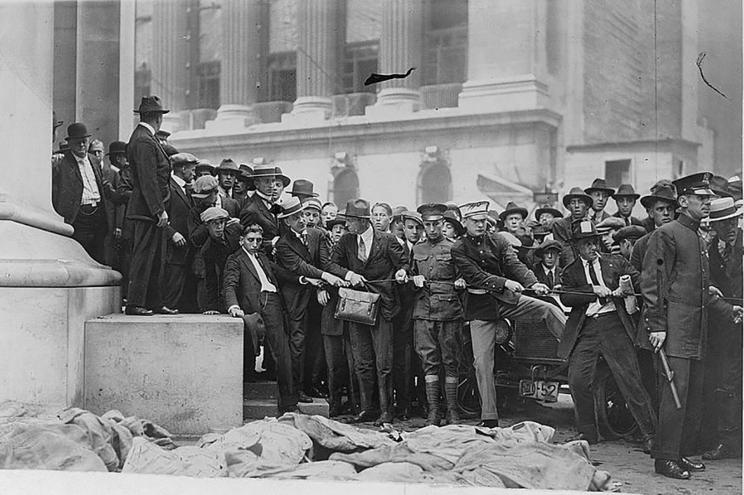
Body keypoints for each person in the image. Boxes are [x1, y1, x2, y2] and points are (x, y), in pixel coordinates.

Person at [640, 172, 741, 479]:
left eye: (710, 198)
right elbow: (653, 283)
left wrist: (722, 303)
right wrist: (657, 325)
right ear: (683, 202)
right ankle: (665, 457)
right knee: (674, 392)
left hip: (695, 330)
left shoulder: (697, 236)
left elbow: (692, 284)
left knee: (691, 394)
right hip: (674, 329)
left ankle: (680, 453)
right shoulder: (667, 234)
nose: (709, 203)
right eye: (703, 199)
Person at [451, 201, 566, 428]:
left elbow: (515, 264)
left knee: (548, 308)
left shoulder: (499, 241)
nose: (480, 225)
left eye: (483, 221)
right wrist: (505, 282)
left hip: (506, 300)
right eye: (475, 221)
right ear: (465, 223)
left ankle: (573, 347)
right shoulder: (459, 248)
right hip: (480, 309)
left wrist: (534, 283)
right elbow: (476, 277)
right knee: (482, 363)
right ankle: (489, 418)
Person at [558, 220, 656, 450]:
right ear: (577, 247)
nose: (592, 247)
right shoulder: (570, 271)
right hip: (588, 328)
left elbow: (638, 280)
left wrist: (628, 287)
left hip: (615, 325)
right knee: (577, 380)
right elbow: (566, 297)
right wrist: (591, 291)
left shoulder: (616, 261)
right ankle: (588, 432)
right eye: (586, 244)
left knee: (630, 380)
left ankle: (651, 433)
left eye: (594, 242)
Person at [325, 199, 409, 425]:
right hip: (357, 306)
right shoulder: (346, 240)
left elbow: (404, 264)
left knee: (384, 362)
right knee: (362, 360)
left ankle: (386, 411)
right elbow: (331, 265)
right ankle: (367, 409)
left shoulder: (387, 240)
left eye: (350, 221)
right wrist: (349, 275)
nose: (346, 225)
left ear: (363, 221)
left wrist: (401, 272)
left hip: (383, 307)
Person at [274, 196, 346, 402]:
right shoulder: (283, 244)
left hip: (317, 297)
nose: (302, 220)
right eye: (296, 217)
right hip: (295, 299)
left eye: (302, 215)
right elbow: (300, 266)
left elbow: (324, 262)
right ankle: (295, 390)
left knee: (315, 343)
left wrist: (322, 285)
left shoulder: (317, 235)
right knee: (298, 343)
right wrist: (325, 278)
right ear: (287, 222)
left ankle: (310, 385)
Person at [224, 223, 301, 415]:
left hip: (273, 302)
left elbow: (279, 272)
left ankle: (289, 404)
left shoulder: (262, 257)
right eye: (251, 240)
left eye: (258, 240)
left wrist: (302, 279)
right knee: (257, 350)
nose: (255, 243)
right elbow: (229, 284)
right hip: (255, 305)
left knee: (282, 351)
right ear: (242, 240)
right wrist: (233, 305)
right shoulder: (235, 259)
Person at [410, 203, 466, 426]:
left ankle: (452, 411)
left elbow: (467, 274)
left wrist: (462, 280)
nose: (432, 229)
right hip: (423, 311)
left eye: (436, 224)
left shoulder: (455, 247)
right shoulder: (417, 250)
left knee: (451, 361)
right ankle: (434, 411)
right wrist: (411, 277)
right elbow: (408, 273)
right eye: (428, 225)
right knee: (429, 362)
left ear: (443, 224)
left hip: (450, 311)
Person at [702, 197, 743, 461]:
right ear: (714, 226)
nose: (729, 227)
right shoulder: (713, 251)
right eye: (722, 223)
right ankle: (728, 441)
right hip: (727, 329)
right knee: (726, 383)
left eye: (732, 221)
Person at [51, 123, 109, 264]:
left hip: (98, 215)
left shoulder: (94, 160)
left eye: (85, 141)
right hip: (79, 217)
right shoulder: (62, 163)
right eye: (78, 142)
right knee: (81, 257)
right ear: (70, 143)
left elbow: (103, 185)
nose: (82, 145)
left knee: (98, 256)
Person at [393, 210, 424, 420]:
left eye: (417, 228)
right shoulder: (396, 247)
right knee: (402, 361)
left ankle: (421, 403)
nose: (414, 232)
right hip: (402, 313)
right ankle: (403, 405)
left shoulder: (423, 249)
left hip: (422, 312)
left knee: (422, 360)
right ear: (403, 228)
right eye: (410, 227)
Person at [163, 152, 198, 313]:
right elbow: (160, 216)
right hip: (172, 248)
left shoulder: (186, 189)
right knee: (171, 285)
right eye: (192, 169)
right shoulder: (168, 187)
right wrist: (172, 233)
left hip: (184, 250)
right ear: (183, 168)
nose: (194, 173)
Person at [193, 207, 242, 314]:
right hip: (230, 280)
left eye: (221, 223)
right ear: (207, 226)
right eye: (215, 224)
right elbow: (211, 279)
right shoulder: (208, 250)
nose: (219, 227)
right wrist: (212, 307)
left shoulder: (236, 231)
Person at [239, 163, 290, 252]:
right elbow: (245, 241)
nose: (271, 185)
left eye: (273, 181)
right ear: (256, 183)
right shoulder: (250, 209)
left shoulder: (274, 203)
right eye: (266, 181)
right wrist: (270, 244)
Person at [630, 181, 677, 272]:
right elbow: (635, 277)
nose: (666, 213)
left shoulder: (684, 239)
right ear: (651, 213)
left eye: (669, 209)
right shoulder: (641, 245)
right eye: (660, 209)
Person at [552, 187, 593, 267]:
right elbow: (565, 251)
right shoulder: (560, 225)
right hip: (571, 268)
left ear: (587, 206)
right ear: (568, 207)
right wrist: (576, 270)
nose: (577, 206)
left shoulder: (593, 225)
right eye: (573, 203)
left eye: (580, 202)